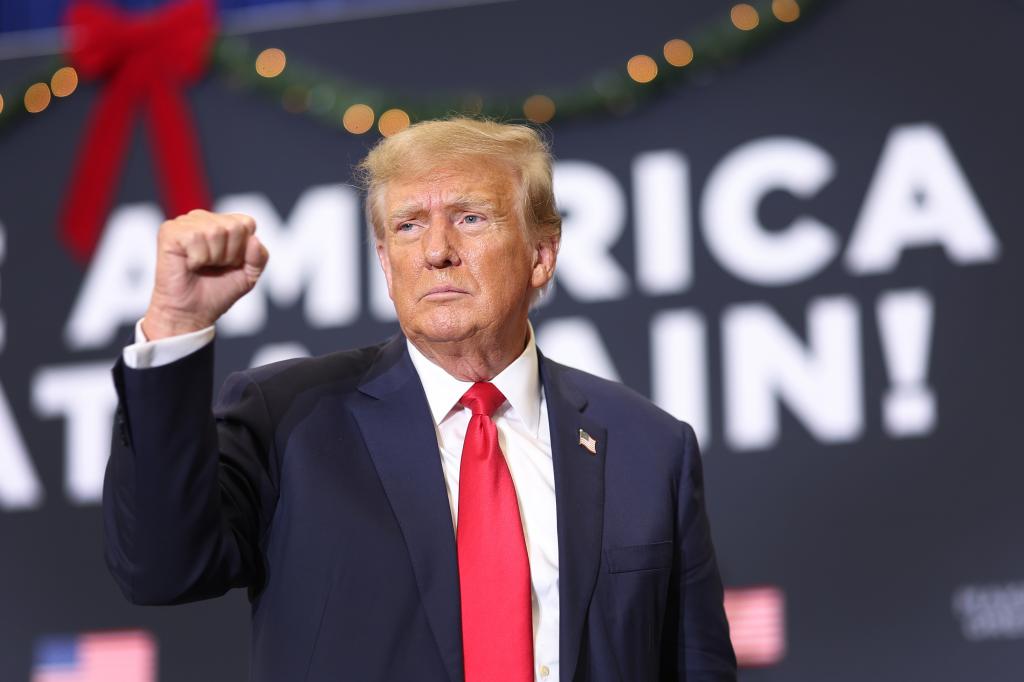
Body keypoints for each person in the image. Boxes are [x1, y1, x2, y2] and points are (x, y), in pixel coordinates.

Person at [104, 117, 737, 681]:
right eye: (408, 226)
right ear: (384, 260)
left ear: (542, 253)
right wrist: (174, 329)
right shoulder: (288, 417)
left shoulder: (649, 446)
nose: (436, 252)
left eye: (469, 217)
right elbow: (161, 568)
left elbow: (696, 663)